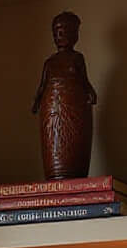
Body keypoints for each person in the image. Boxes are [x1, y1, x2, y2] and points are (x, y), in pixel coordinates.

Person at [31, 11, 97, 181]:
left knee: (72, 138)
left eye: (64, 31)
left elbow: (84, 81)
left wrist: (90, 92)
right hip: (52, 108)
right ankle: (56, 175)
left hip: (75, 108)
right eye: (56, 32)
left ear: (75, 34)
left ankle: (74, 176)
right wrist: (37, 101)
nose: (59, 36)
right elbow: (42, 85)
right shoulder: (50, 62)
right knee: (55, 135)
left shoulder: (77, 58)